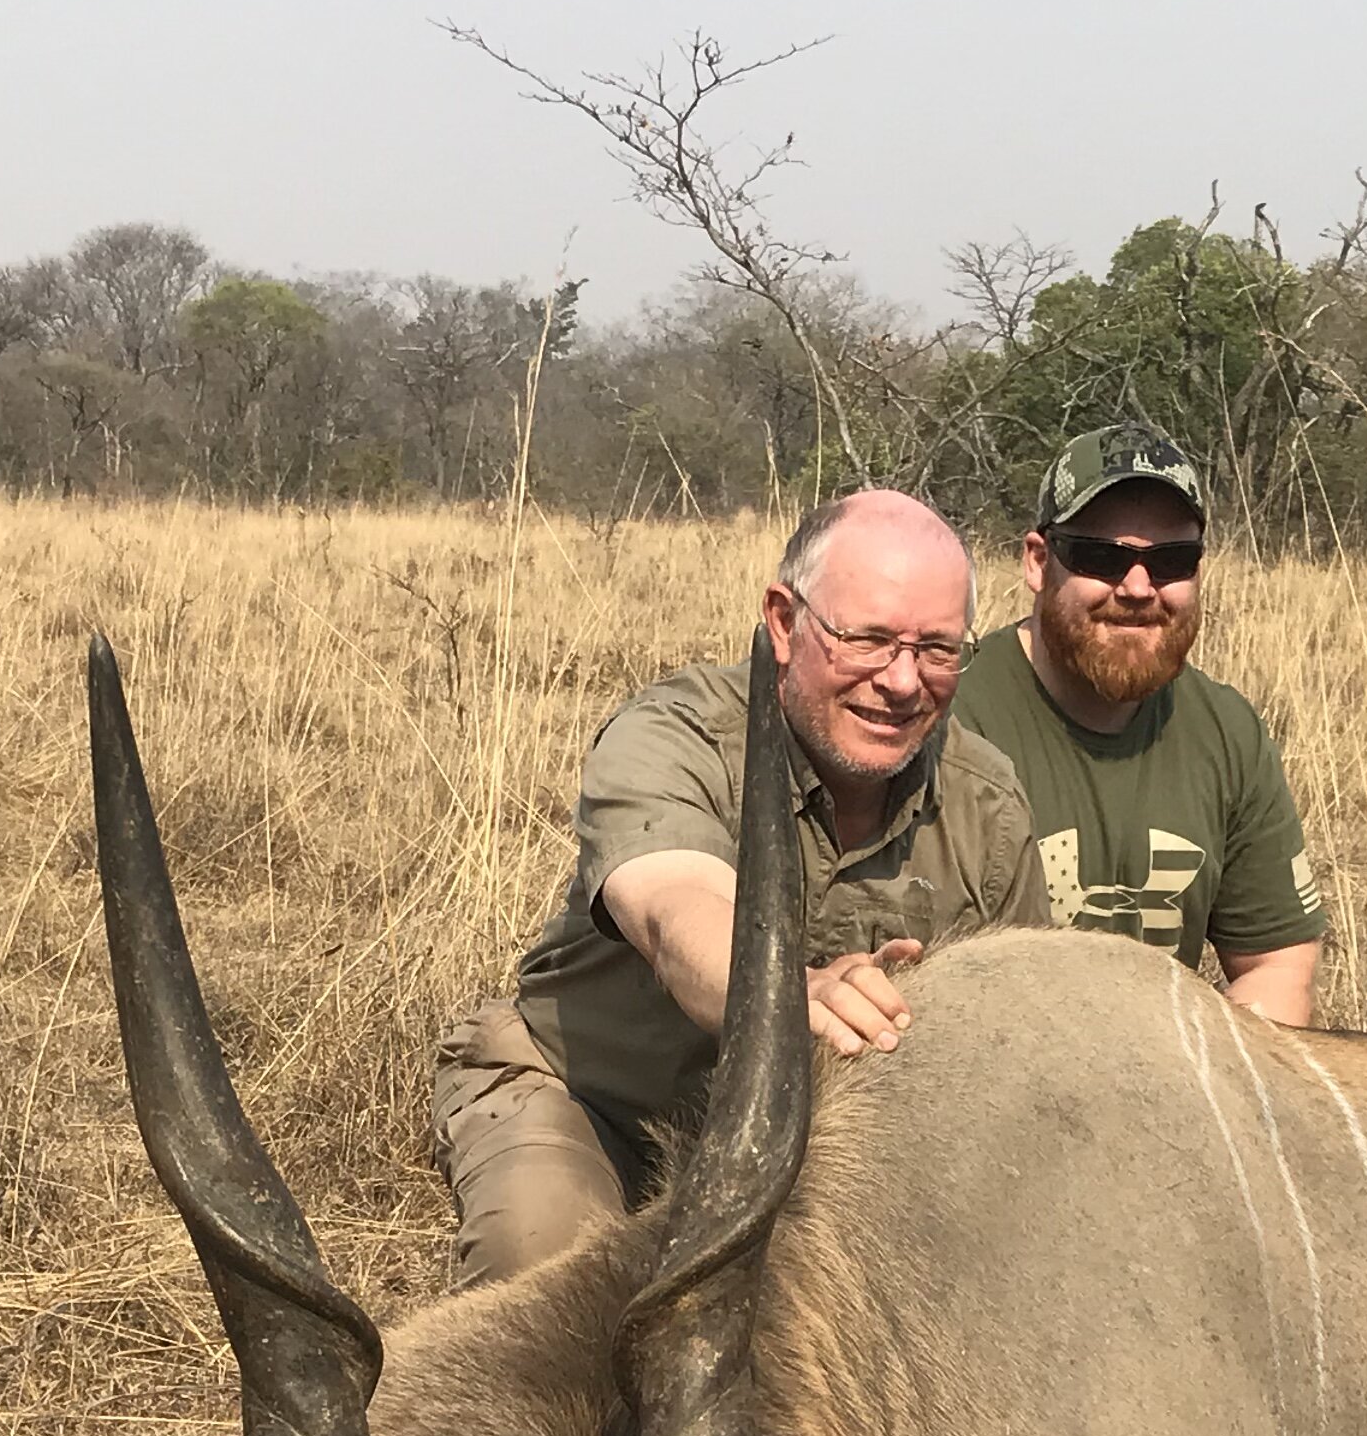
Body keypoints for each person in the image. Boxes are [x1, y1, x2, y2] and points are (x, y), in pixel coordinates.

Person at [429, 488, 1052, 1286]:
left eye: (938, 650)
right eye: (867, 640)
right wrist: (793, 998)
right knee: (551, 1269)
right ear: (785, 622)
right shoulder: (676, 735)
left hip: (817, 1152)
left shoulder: (987, 802)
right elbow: (672, 907)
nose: (903, 682)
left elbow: (1012, 1053)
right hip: (594, 1101)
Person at [945, 421, 1325, 1026]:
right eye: (1102, 557)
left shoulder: (1228, 732)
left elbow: (1275, 965)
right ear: (1038, 562)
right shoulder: (946, 717)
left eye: (1172, 560)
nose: (1139, 587)